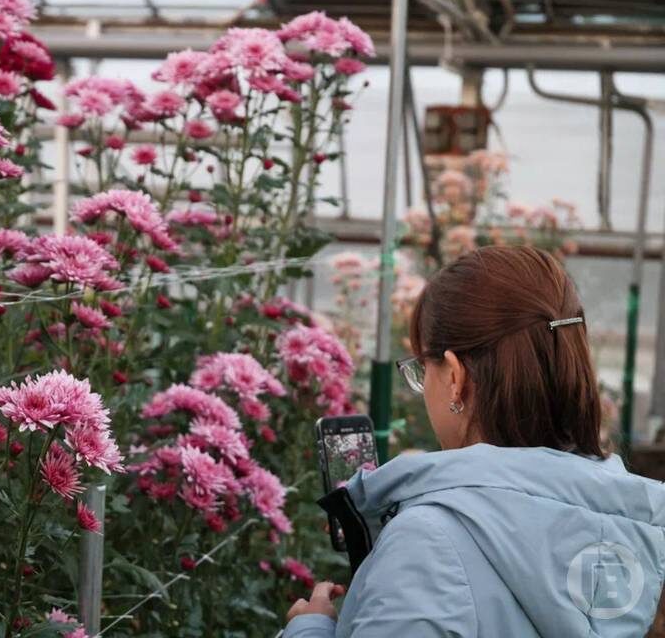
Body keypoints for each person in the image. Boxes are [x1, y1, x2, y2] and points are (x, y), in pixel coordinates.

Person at [284, 245, 665, 637]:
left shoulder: (427, 545)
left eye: (420, 370)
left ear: (455, 376)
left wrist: (309, 629)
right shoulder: (634, 532)